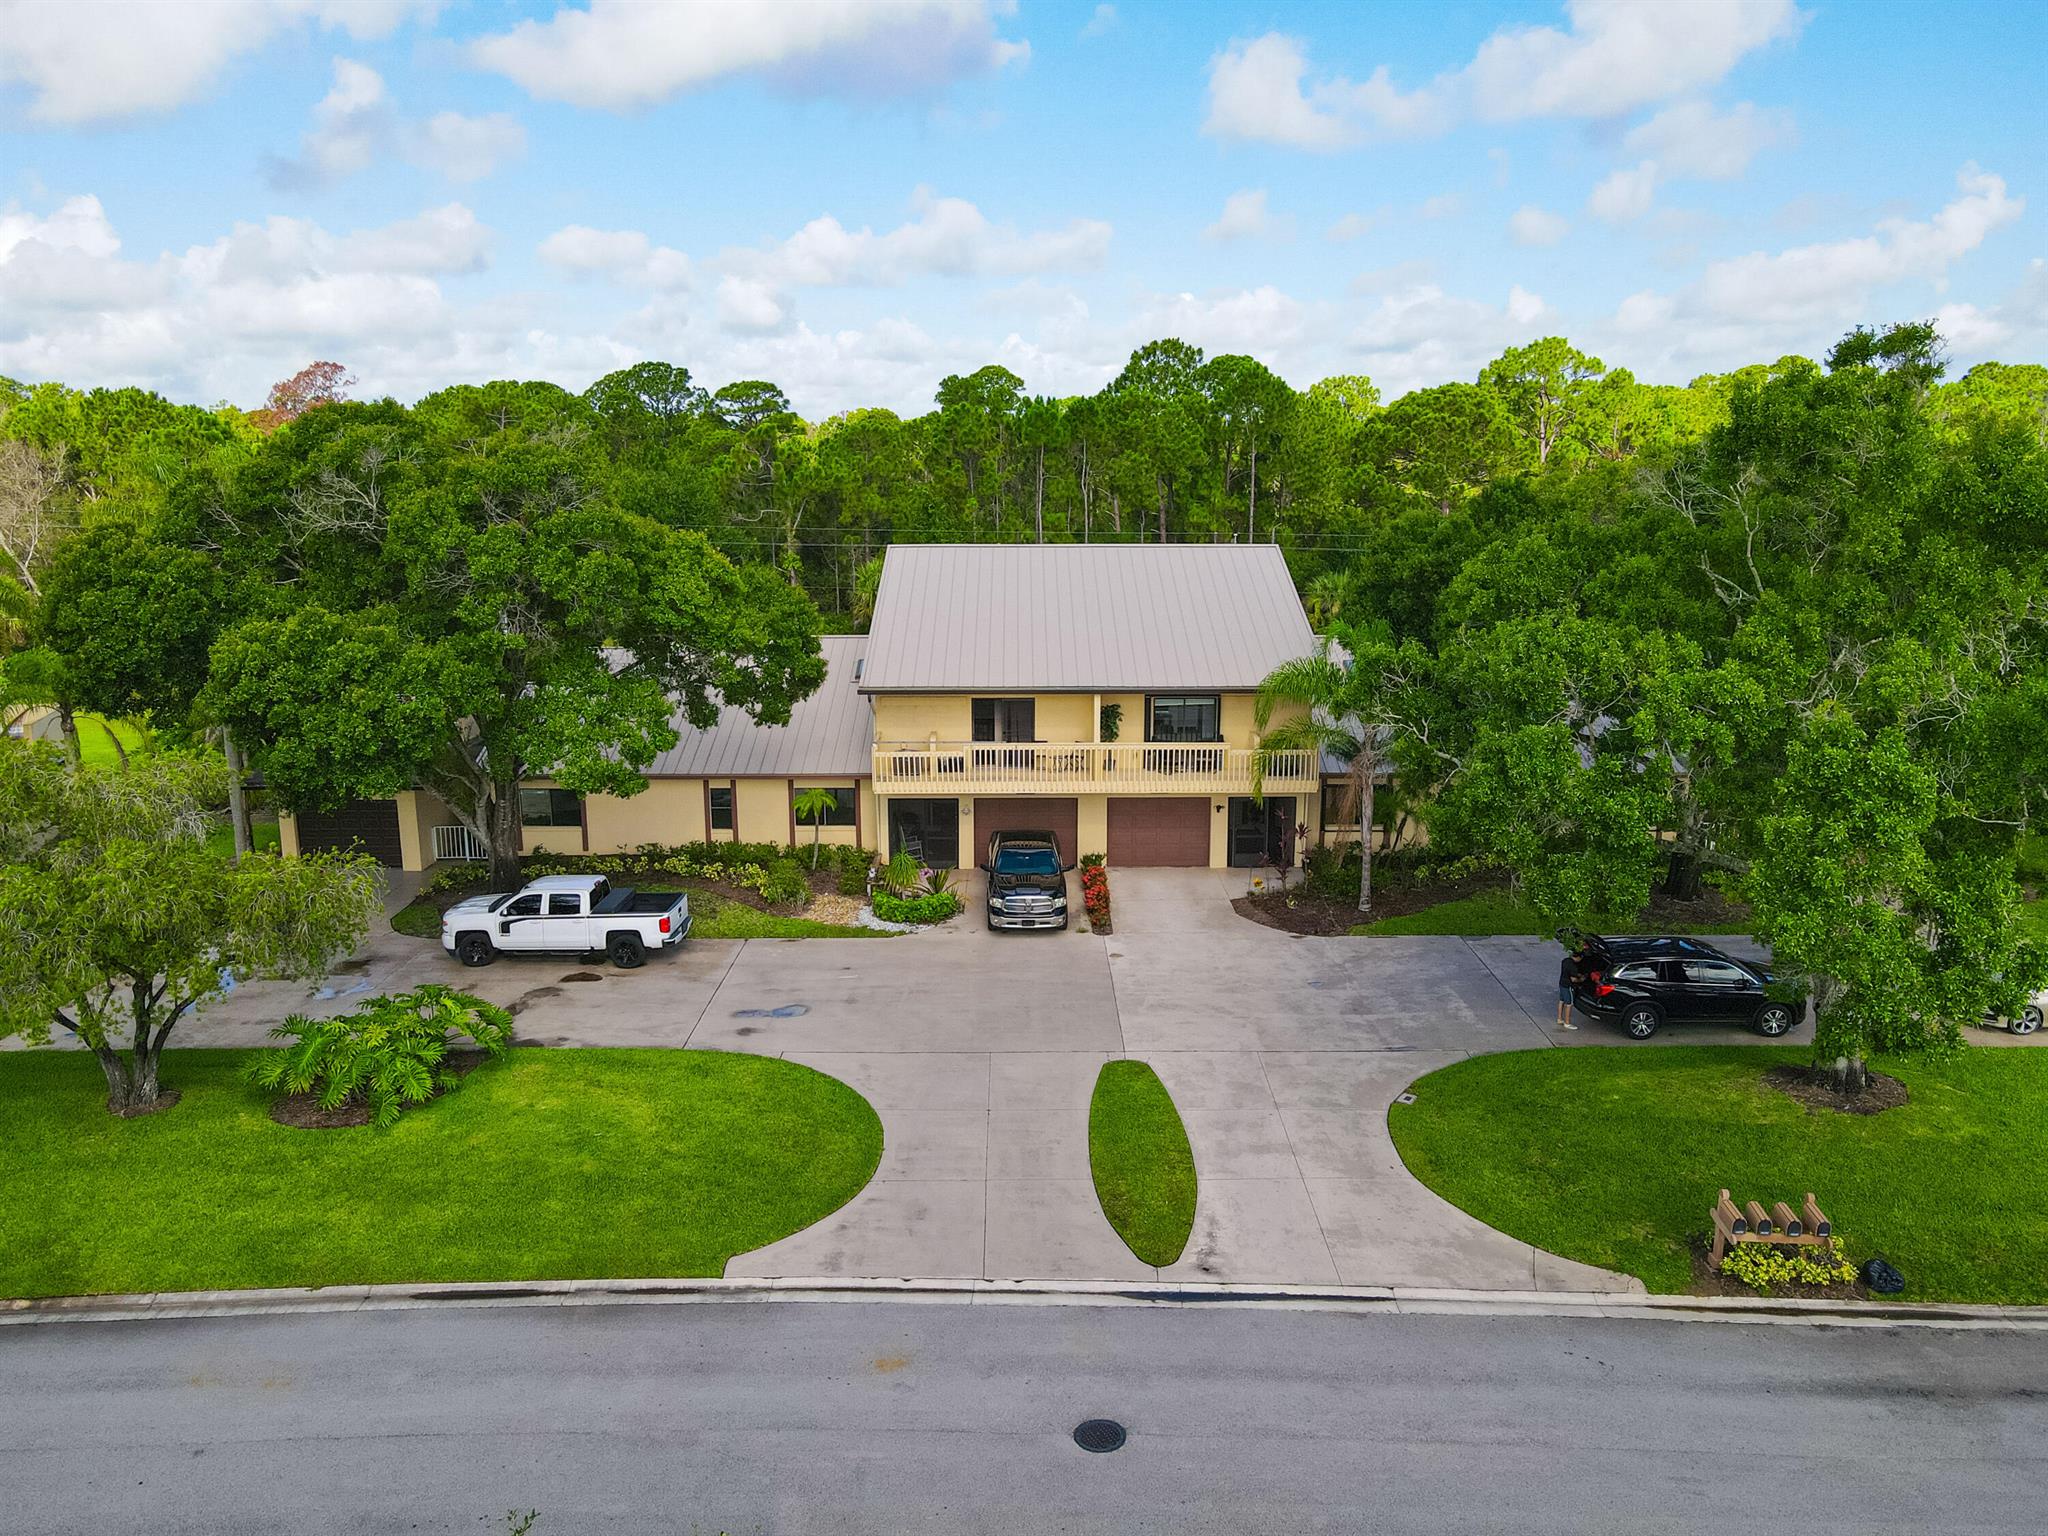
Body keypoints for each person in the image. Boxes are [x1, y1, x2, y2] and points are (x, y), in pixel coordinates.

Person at [1556, 940, 1586, 1030]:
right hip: (1568, 986)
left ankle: (1559, 1018)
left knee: (1561, 1001)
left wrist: (1578, 975)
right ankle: (1567, 1022)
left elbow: (1568, 973)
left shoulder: (1565, 961)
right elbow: (1573, 979)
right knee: (1569, 1004)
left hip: (1561, 983)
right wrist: (1581, 979)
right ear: (1579, 957)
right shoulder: (1573, 967)